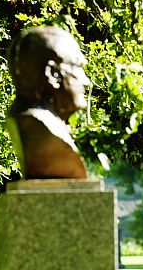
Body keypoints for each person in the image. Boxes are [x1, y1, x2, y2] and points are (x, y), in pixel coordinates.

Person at [6, 26, 91, 179]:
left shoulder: (40, 125)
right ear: (53, 74)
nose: (86, 81)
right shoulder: (39, 126)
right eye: (77, 67)